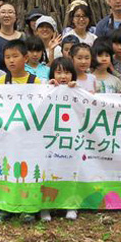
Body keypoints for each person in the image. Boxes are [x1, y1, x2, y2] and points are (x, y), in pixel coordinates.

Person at [0, 39, 42, 223]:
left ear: (26, 58)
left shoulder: (35, 81)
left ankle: (29, 207)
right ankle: (7, 206)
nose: (11, 61)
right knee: (9, 169)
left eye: (15, 56)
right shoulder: (2, 80)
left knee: (28, 170)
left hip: (28, 136)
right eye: (7, 57)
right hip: (8, 136)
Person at [38, 58, 79, 223]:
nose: (63, 76)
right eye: (59, 72)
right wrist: (48, 87)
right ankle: (45, 207)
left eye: (67, 72)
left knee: (69, 169)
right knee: (48, 169)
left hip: (70, 139)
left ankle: (70, 205)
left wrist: (77, 89)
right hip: (49, 139)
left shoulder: (77, 89)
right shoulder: (45, 87)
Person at [0, 3, 25, 71]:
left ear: (15, 17)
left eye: (10, 12)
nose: (6, 15)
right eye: (3, 12)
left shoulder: (23, 37)